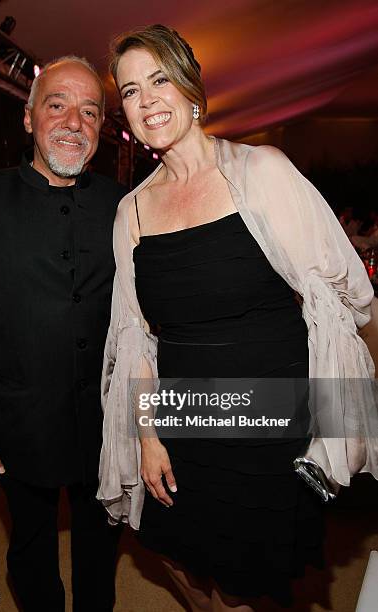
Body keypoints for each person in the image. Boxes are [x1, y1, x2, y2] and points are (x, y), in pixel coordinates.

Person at [97, 25, 378, 611]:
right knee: (182, 560)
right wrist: (147, 438)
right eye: (129, 90)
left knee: (254, 581)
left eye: (158, 79)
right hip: (182, 421)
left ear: (189, 86)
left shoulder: (261, 171)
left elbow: (345, 303)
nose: (146, 100)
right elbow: (136, 342)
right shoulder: (131, 212)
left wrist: (339, 427)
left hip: (269, 426)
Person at [0, 57, 126, 612]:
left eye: (90, 111)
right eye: (57, 104)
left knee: (101, 546)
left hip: (105, 420)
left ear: (99, 129)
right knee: (31, 544)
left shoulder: (123, 207)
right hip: (19, 419)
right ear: (28, 119)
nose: (74, 121)